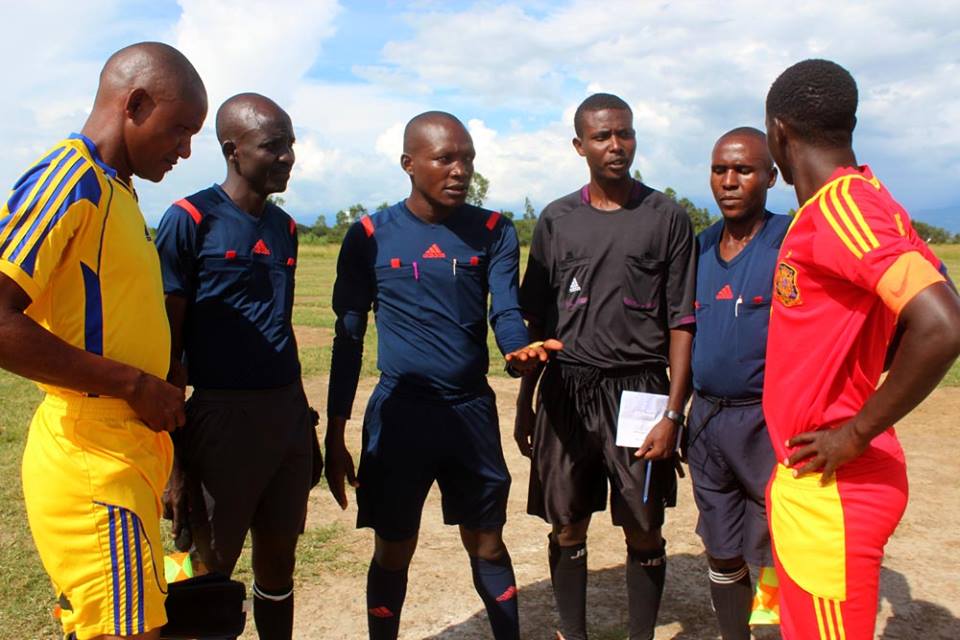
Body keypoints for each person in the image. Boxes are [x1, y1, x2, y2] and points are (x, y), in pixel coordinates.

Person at [324, 111, 557, 640]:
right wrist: (336, 432)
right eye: (445, 158)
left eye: (468, 159)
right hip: (400, 413)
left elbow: (504, 309)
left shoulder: (494, 230)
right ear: (409, 164)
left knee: (489, 543)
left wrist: (517, 350)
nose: (460, 170)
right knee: (394, 546)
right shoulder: (368, 235)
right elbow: (349, 339)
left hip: (469, 411)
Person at [0, 43, 206, 640]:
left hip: (126, 451)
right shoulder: (71, 179)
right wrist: (134, 383)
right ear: (136, 104)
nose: (185, 149)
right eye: (180, 130)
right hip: (93, 459)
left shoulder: (118, 191)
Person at [762, 59, 960, 639]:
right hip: (816, 482)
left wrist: (853, 432)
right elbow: (919, 302)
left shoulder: (844, 209)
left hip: (833, 493)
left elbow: (943, 323)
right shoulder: (862, 200)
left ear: (779, 132)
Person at [516, 93, 696, 640]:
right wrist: (526, 405)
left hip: (640, 391)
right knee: (567, 523)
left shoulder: (666, 216)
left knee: (643, 526)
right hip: (567, 389)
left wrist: (673, 414)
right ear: (580, 146)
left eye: (625, 133)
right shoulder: (556, 219)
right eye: (602, 136)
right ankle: (574, 632)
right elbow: (537, 324)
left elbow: (683, 322)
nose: (616, 146)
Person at [154, 93, 312, 640]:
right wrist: (175, 467)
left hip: (285, 416)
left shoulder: (285, 228)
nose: (289, 156)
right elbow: (166, 352)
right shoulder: (189, 219)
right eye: (274, 145)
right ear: (233, 150)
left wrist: (302, 423)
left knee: (279, 562)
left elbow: (278, 326)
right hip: (220, 418)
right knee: (207, 569)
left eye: (291, 144)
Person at [687, 127, 786, 640]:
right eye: (719, 169)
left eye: (744, 170)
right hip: (705, 420)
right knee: (721, 548)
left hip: (766, 423)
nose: (729, 181)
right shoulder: (699, 247)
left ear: (770, 176)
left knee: (775, 545)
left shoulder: (791, 241)